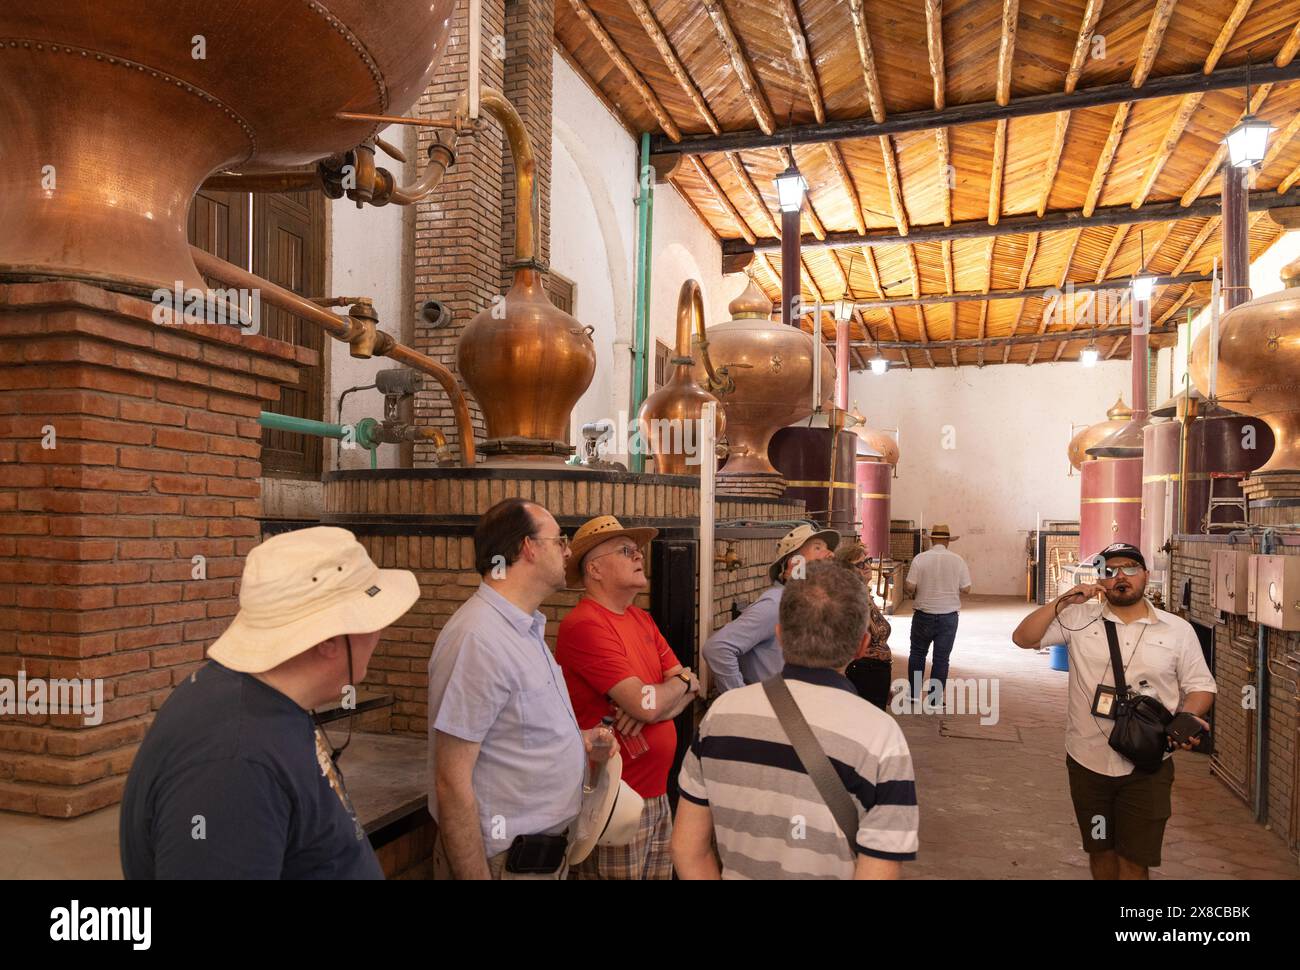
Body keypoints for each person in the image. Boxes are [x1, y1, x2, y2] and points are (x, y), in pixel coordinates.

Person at [120, 526, 419, 879]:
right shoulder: (234, 763)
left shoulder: (265, 704)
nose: (379, 631)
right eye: (371, 618)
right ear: (330, 640)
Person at [673, 561, 919, 879]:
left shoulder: (720, 716)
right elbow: (878, 869)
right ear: (861, 646)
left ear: (779, 634)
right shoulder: (881, 736)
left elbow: (687, 849)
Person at [427, 498, 617, 880]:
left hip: (542, 857)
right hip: (504, 863)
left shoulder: (524, 629)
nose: (567, 551)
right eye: (559, 540)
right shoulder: (478, 638)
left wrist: (575, 740)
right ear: (527, 548)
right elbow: (450, 779)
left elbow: (512, 734)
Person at [1011, 542, 1216, 880]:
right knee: (1100, 850)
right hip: (1087, 763)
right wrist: (1063, 601)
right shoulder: (1078, 619)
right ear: (1100, 579)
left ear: (1146, 575)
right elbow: (1023, 637)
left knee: (1135, 860)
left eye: (1130, 568)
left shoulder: (1176, 630)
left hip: (1147, 765)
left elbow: (1201, 686)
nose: (1121, 576)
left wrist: (1185, 721)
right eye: (1110, 570)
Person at [556, 515, 700, 879]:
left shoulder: (641, 619)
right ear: (595, 569)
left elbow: (690, 684)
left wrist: (663, 699)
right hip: (612, 802)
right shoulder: (586, 624)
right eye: (626, 551)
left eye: (638, 551)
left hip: (656, 794)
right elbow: (643, 702)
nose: (639, 557)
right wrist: (656, 699)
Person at [702, 523, 838, 693]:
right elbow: (717, 648)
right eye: (817, 548)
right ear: (793, 566)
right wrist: (741, 700)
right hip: (773, 712)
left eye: (828, 549)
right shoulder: (776, 604)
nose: (830, 554)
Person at [904, 523, 971, 706]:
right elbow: (966, 589)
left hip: (923, 615)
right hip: (948, 617)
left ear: (932, 540)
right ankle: (934, 699)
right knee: (941, 658)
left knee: (917, 654)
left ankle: (913, 695)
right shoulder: (958, 560)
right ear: (948, 541)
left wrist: (914, 591)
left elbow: (909, 586)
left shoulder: (920, 558)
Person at [834, 541, 895, 710]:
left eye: (867, 560)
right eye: (859, 564)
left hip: (874, 673)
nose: (867, 566)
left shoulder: (864, 593)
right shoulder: (850, 598)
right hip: (860, 673)